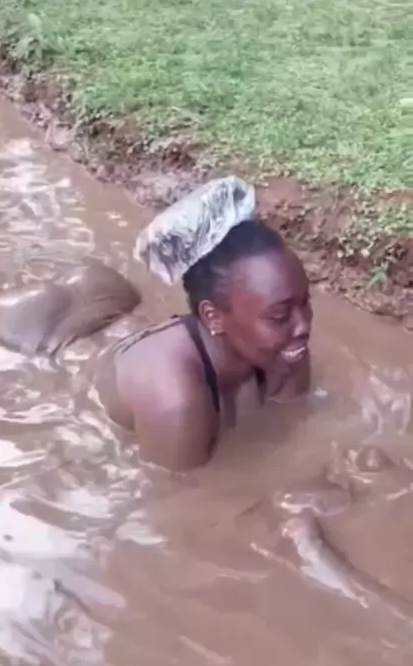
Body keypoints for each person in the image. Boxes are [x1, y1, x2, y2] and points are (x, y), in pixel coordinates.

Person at [97, 177, 312, 472]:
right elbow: (185, 493)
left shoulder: (285, 345)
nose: (303, 325)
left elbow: (298, 420)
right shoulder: (176, 404)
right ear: (213, 316)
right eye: (279, 315)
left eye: (305, 302)